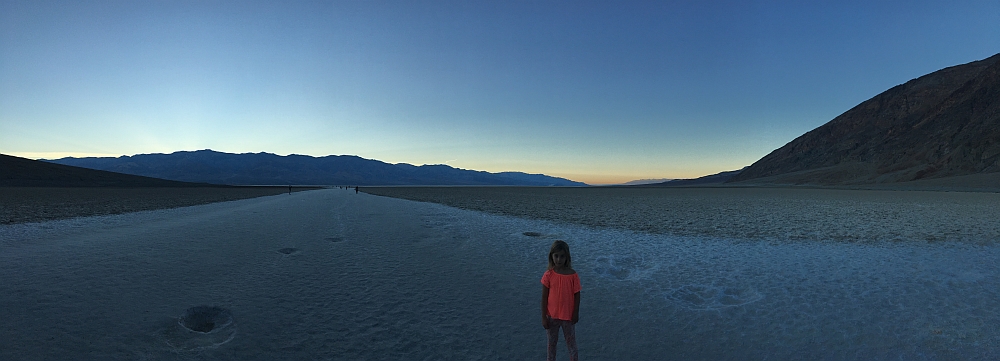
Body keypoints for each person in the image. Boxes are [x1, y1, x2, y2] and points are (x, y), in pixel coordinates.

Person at [541, 240, 581, 361]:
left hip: (568, 317)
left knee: (571, 344)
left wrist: (575, 312)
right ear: (551, 256)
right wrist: (543, 317)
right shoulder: (548, 274)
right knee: (551, 345)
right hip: (551, 316)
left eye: (562, 256)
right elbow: (544, 297)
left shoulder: (573, 275)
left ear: (567, 257)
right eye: (556, 256)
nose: (559, 259)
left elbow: (577, 295)